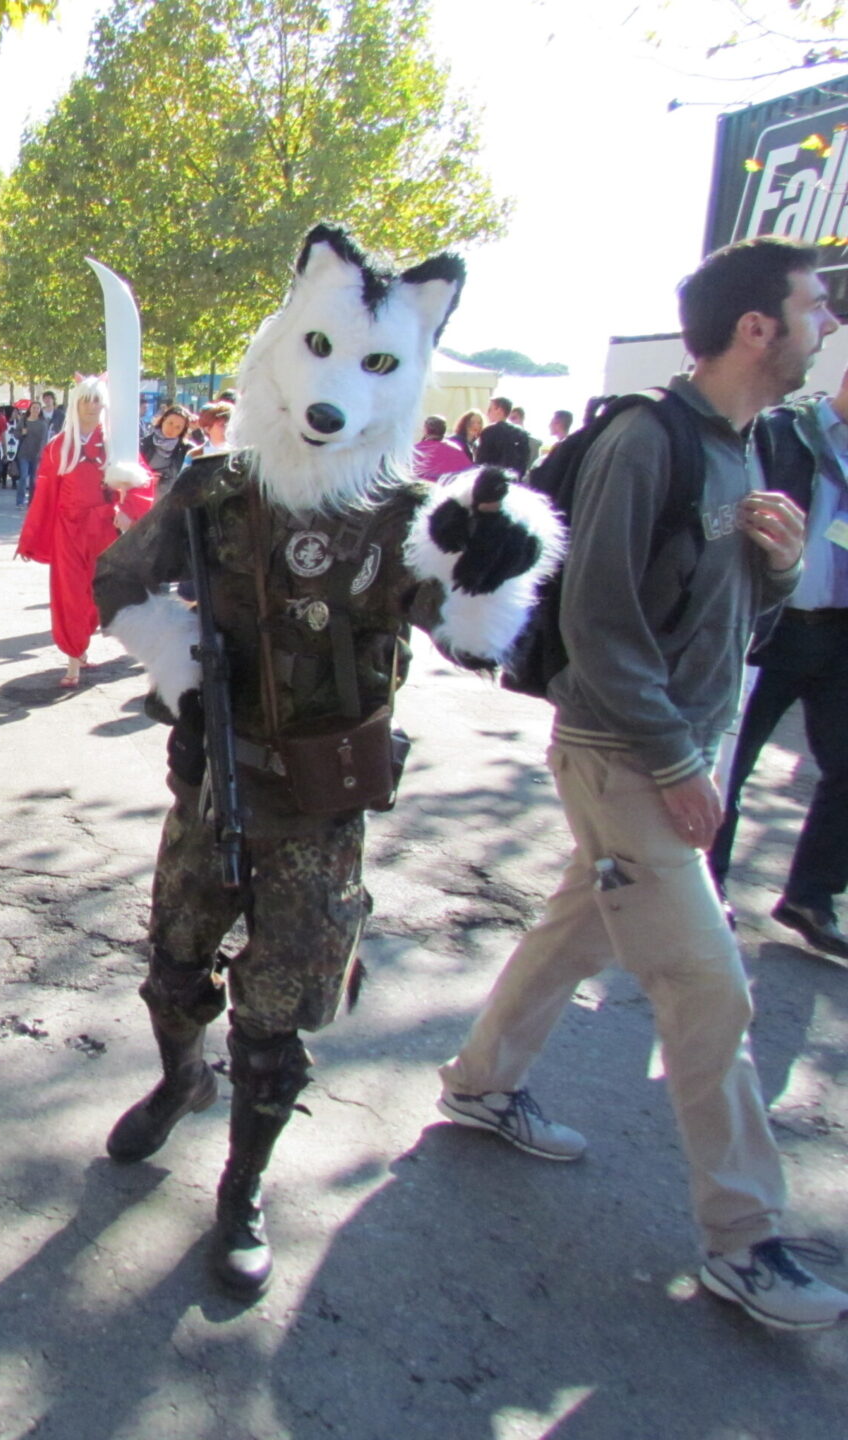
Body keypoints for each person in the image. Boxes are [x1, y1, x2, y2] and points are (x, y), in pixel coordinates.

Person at [96, 225, 563, 1301]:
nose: (334, 388)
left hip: (319, 804)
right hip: (214, 780)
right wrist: (179, 669)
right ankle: (180, 1081)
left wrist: (497, 567)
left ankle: (243, 1187)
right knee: (174, 971)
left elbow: (471, 638)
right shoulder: (216, 488)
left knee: (277, 1012)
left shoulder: (411, 518)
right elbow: (118, 579)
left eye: (374, 364)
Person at [436, 236, 848, 1332]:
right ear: (756, 327)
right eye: (814, 306)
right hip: (624, 756)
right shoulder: (645, 441)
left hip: (669, 751)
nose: (827, 325)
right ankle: (745, 1240)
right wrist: (675, 764)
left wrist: (777, 569)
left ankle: (479, 1082)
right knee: (711, 990)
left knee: (578, 930)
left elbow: (731, 623)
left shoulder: (744, 448)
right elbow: (600, 624)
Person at [708, 369, 848, 960]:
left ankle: (811, 897)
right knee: (728, 767)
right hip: (771, 627)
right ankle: (704, 891)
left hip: (838, 635)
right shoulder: (785, 432)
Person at [17, 375, 157, 688]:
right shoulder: (58, 447)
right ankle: (73, 656)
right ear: (76, 403)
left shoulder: (115, 443)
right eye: (86, 400)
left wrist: (128, 510)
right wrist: (31, 539)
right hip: (67, 529)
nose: (92, 406)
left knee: (98, 594)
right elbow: (45, 496)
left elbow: (142, 478)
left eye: (97, 400)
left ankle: (82, 643)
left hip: (104, 528)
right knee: (68, 593)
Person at [140, 405, 193, 492]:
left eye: (178, 427)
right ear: (164, 420)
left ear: (183, 430)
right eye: (170, 423)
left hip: (172, 496)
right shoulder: (144, 444)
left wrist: (197, 429)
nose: (172, 429)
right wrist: (147, 476)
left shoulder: (186, 449)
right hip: (147, 492)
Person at [474, 394, 533, 473]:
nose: (487, 413)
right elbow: (525, 460)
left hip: (493, 477)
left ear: (499, 410)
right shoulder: (521, 433)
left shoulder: (489, 432)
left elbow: (481, 461)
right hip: (514, 477)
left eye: (490, 409)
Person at [412, 414, 472, 481]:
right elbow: (469, 473)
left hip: (422, 486)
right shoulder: (456, 450)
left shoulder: (416, 450)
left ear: (425, 430)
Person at [13, 399, 47, 508]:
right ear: (30, 409)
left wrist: (41, 452)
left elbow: (44, 440)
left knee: (33, 479)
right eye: (33, 408)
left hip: (36, 454)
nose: (35, 410)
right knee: (23, 477)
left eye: (37, 408)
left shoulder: (42, 423)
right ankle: (20, 501)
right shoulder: (24, 421)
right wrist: (22, 433)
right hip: (24, 453)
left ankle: (32, 501)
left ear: (40, 410)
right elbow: (16, 434)